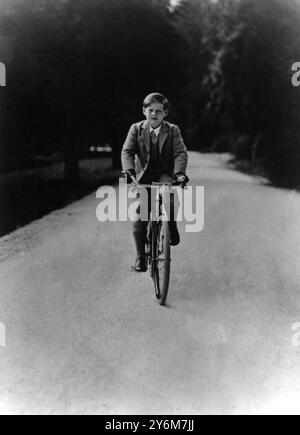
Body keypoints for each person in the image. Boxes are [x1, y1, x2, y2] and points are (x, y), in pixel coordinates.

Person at [121, 93, 189, 272]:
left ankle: (171, 225)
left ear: (165, 113)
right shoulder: (136, 129)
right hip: (144, 176)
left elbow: (180, 153)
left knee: (170, 197)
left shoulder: (173, 130)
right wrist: (128, 170)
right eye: (150, 110)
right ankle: (140, 257)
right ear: (144, 111)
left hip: (166, 174)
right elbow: (127, 151)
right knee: (140, 211)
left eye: (159, 111)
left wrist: (179, 174)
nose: (154, 114)